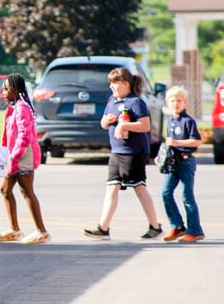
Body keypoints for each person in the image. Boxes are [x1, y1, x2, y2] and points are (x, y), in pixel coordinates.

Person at [84, 67, 163, 240]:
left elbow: (145, 125)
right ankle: (103, 229)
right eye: (110, 83)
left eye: (115, 83)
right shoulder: (112, 100)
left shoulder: (135, 102)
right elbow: (104, 123)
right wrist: (107, 121)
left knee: (139, 187)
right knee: (112, 187)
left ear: (126, 84)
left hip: (133, 152)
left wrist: (124, 125)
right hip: (116, 151)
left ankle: (155, 226)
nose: (112, 87)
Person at [0, 73, 50, 244]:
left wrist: (13, 158)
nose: (3, 92)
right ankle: (14, 229)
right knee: (5, 190)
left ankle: (42, 231)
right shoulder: (13, 108)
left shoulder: (22, 108)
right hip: (12, 155)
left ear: (15, 89)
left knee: (27, 192)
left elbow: (25, 137)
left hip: (23, 155)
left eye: (6, 89)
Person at [159, 86, 204, 242]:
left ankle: (195, 230)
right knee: (165, 193)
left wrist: (178, 142)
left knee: (186, 196)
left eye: (179, 100)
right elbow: (169, 143)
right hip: (173, 162)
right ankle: (177, 226)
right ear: (167, 103)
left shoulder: (188, 121)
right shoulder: (170, 120)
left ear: (185, 102)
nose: (175, 103)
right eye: (172, 100)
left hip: (186, 161)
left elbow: (197, 140)